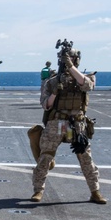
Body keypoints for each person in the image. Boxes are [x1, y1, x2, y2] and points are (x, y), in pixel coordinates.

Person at [31, 44, 105, 204]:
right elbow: (45, 105)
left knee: (85, 157)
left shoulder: (87, 77)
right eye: (64, 59)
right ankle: (38, 190)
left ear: (76, 60)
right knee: (45, 157)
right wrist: (55, 93)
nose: (66, 61)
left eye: (70, 59)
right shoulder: (51, 82)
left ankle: (95, 191)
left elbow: (86, 85)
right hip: (58, 123)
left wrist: (71, 67)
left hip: (76, 125)